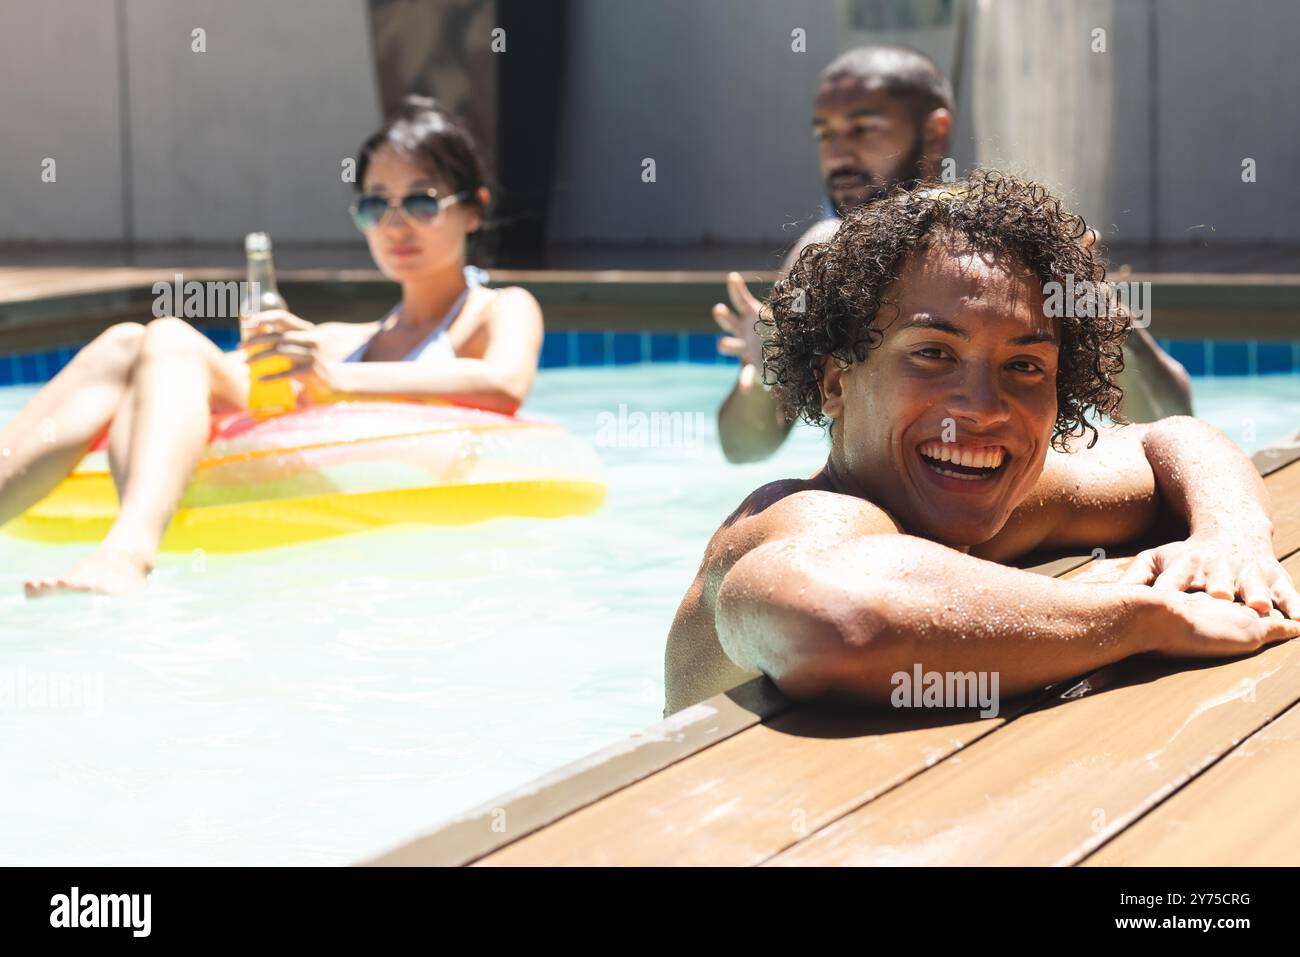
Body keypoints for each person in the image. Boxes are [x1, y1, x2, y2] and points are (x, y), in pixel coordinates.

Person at [665, 170, 1298, 715]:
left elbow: (1168, 441)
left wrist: (1231, 537)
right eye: (934, 354)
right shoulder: (803, 515)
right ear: (835, 381)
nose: (984, 410)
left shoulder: (983, 497)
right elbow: (837, 624)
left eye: (1024, 366)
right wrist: (1140, 618)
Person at [3, 96, 543, 597]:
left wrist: (334, 383)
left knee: (166, 338)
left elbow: (503, 384)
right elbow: (176, 372)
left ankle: (127, 555)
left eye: (421, 202)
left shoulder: (499, 309)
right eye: (375, 206)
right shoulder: (340, 340)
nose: (396, 224)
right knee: (135, 342)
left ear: (474, 210)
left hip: (411, 497)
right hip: (320, 414)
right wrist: (271, 353)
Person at [714, 44, 1192, 463]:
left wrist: (1097, 314)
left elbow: (1171, 422)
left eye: (863, 129)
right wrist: (762, 373)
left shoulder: (1008, 246)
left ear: (936, 129)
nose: (838, 153)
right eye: (825, 133)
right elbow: (743, 450)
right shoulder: (822, 254)